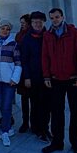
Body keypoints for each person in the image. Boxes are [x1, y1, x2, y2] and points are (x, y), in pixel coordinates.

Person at [41, 8, 77, 153]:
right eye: (52, 18)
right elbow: (45, 57)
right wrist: (47, 76)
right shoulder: (48, 35)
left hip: (73, 80)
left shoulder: (75, 33)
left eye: (57, 17)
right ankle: (57, 142)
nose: (55, 20)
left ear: (62, 17)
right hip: (55, 80)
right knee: (56, 113)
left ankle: (75, 144)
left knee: (75, 112)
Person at [21, 11, 51, 142]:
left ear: (44, 22)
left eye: (40, 22)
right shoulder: (27, 38)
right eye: (34, 22)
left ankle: (45, 128)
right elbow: (24, 59)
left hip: (48, 77)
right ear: (31, 23)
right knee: (35, 104)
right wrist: (27, 77)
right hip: (33, 77)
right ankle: (36, 128)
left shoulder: (49, 36)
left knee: (47, 105)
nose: (37, 24)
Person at [15, 14, 31, 133]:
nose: (22, 25)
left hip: (31, 70)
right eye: (21, 23)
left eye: (24, 22)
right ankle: (25, 122)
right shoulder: (19, 35)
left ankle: (35, 123)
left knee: (35, 100)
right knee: (24, 99)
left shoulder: (32, 35)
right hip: (21, 70)